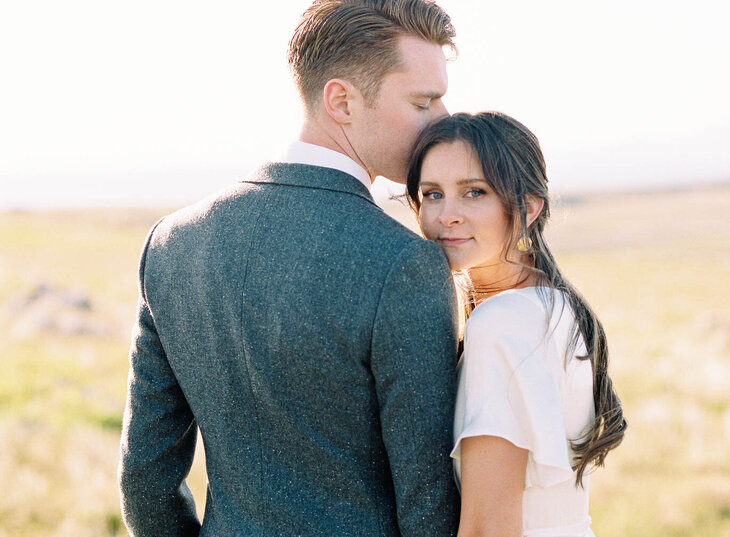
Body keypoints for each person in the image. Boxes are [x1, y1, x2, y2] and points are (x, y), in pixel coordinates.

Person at [118, 1, 461, 535]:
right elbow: (428, 502)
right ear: (342, 100)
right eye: (425, 101)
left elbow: (145, 481)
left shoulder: (171, 242)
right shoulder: (404, 262)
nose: (444, 119)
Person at [406, 112, 627, 537]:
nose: (446, 215)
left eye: (474, 192)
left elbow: (489, 529)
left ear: (527, 208)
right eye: (432, 194)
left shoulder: (502, 323)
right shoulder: (555, 305)